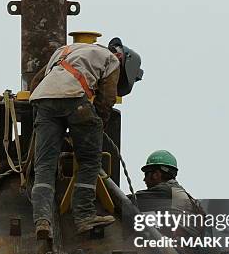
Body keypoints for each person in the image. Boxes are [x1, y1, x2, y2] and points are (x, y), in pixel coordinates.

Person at [29, 37, 143, 239]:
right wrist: (94, 128)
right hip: (75, 101)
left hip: (43, 103)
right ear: (123, 58)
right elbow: (106, 99)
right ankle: (84, 216)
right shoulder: (111, 59)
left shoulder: (65, 51)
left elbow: (37, 82)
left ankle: (42, 220)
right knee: (90, 162)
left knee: (44, 166)